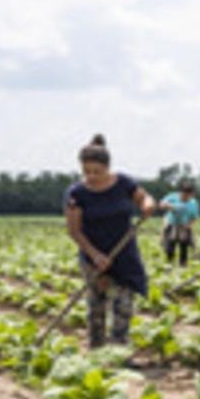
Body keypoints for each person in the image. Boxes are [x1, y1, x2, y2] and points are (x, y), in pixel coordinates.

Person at [63, 135, 156, 348]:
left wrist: (148, 205)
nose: (92, 176)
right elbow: (74, 231)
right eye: (87, 172)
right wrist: (95, 255)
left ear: (107, 167)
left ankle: (118, 350)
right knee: (97, 305)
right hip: (93, 255)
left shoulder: (123, 183)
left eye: (97, 171)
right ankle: (96, 349)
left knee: (124, 303)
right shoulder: (76, 194)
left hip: (123, 252)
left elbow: (144, 197)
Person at [159, 181, 200, 266]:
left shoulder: (193, 203)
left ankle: (183, 266)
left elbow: (194, 217)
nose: (186, 197)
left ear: (191, 194)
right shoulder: (173, 197)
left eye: (189, 195)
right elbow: (161, 204)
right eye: (184, 194)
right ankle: (169, 265)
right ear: (181, 192)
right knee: (169, 246)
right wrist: (168, 206)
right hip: (171, 223)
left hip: (184, 226)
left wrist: (188, 225)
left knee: (184, 247)